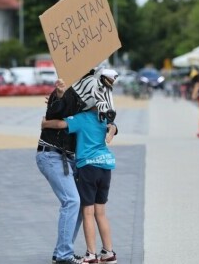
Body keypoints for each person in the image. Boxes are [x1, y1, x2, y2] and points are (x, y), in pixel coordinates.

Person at [36, 69, 118, 264]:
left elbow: (107, 120)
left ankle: (63, 252)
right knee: (73, 201)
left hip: (74, 160)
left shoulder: (89, 106)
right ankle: (66, 255)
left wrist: (113, 126)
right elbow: (57, 109)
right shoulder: (69, 92)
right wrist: (60, 94)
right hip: (53, 155)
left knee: (80, 204)